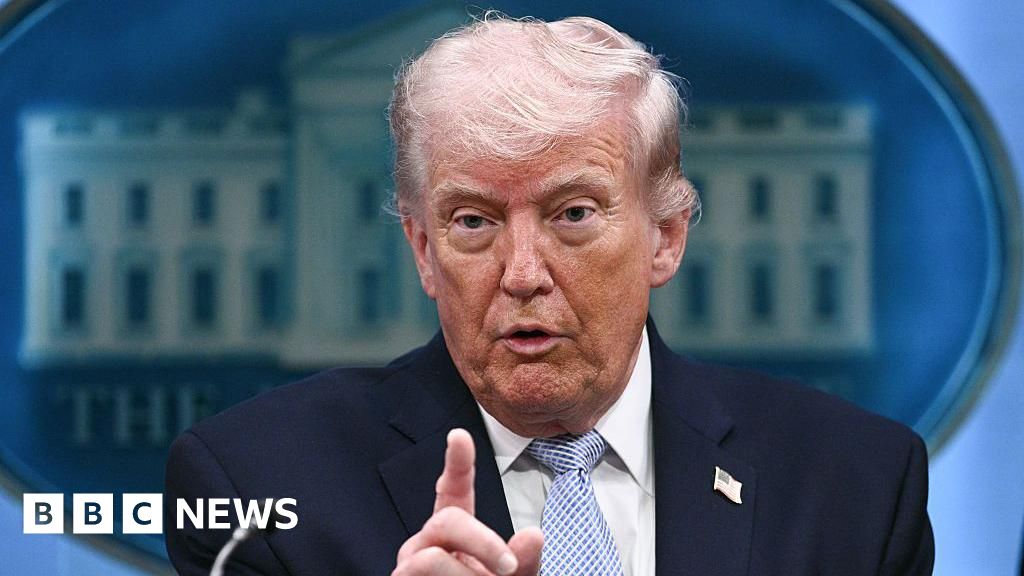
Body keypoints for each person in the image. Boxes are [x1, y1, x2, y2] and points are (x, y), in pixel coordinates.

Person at [165, 14, 934, 575]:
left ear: (666, 237)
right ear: (424, 251)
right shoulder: (255, 487)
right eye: (474, 221)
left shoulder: (855, 484)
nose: (523, 272)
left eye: (573, 214)